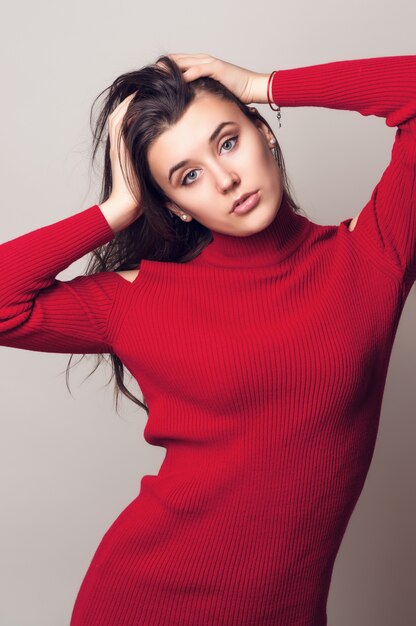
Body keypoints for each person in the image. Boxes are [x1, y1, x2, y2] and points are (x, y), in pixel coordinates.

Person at [0, 52, 415, 626]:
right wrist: (119, 208)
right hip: (145, 601)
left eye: (227, 142)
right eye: (187, 176)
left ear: (264, 134)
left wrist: (262, 83)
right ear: (174, 206)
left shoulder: (370, 257)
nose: (225, 180)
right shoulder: (138, 298)